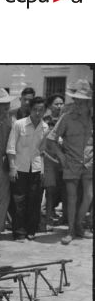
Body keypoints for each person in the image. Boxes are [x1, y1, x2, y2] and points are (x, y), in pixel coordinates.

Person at [46, 79, 93, 244]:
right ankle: (71, 230)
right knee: (71, 199)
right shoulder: (66, 117)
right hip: (71, 162)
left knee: (89, 196)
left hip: (89, 162)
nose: (78, 104)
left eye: (82, 101)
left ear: (89, 101)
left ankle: (79, 224)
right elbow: (51, 139)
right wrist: (62, 156)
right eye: (76, 100)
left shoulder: (92, 118)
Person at [6, 97, 49, 241]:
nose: (38, 112)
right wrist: (12, 168)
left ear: (45, 111)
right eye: (35, 109)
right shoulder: (19, 124)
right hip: (20, 167)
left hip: (36, 168)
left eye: (41, 110)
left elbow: (42, 151)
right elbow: (11, 147)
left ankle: (31, 230)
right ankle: (19, 232)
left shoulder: (45, 127)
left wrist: (42, 170)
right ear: (30, 109)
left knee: (34, 200)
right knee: (19, 201)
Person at [0, 88, 16, 237]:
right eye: (2, 104)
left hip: (6, 160)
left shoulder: (12, 121)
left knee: (4, 196)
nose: (6, 107)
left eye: (7, 103)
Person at [42, 93, 66, 231]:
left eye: (61, 103)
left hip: (64, 160)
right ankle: (48, 218)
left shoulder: (66, 119)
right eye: (56, 104)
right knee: (50, 190)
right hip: (49, 160)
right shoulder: (45, 121)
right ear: (50, 106)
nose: (59, 106)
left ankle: (65, 217)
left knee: (64, 189)